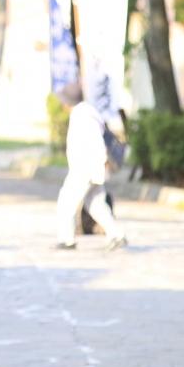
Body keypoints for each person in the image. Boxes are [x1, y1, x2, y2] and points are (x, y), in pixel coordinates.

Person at [54, 82, 127, 250]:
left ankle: (66, 238)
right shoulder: (86, 112)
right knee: (95, 203)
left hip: (85, 167)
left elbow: (95, 141)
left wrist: (100, 162)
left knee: (67, 200)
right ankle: (116, 234)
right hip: (90, 167)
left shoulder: (82, 114)